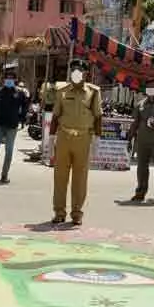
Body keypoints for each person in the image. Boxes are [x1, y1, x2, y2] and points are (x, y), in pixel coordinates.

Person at [49, 59, 102, 226]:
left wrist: (97, 138)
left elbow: (98, 116)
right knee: (60, 177)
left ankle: (77, 213)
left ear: (86, 73)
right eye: (74, 70)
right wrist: (51, 138)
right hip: (64, 136)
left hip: (83, 138)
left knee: (80, 178)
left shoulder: (93, 92)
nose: (76, 73)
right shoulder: (62, 91)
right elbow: (56, 116)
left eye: (80, 70)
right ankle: (59, 212)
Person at [127, 81, 154, 203]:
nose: (151, 89)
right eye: (148, 87)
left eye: (153, 87)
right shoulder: (140, 105)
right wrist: (129, 138)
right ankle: (140, 193)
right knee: (141, 168)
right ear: (146, 90)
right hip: (142, 142)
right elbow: (135, 123)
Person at [0, 67, 27, 184]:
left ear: (15, 80)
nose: (9, 80)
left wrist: (21, 120)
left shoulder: (19, 93)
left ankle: (4, 175)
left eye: (12, 78)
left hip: (12, 126)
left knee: (9, 151)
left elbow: (25, 107)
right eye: (7, 78)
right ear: (3, 80)